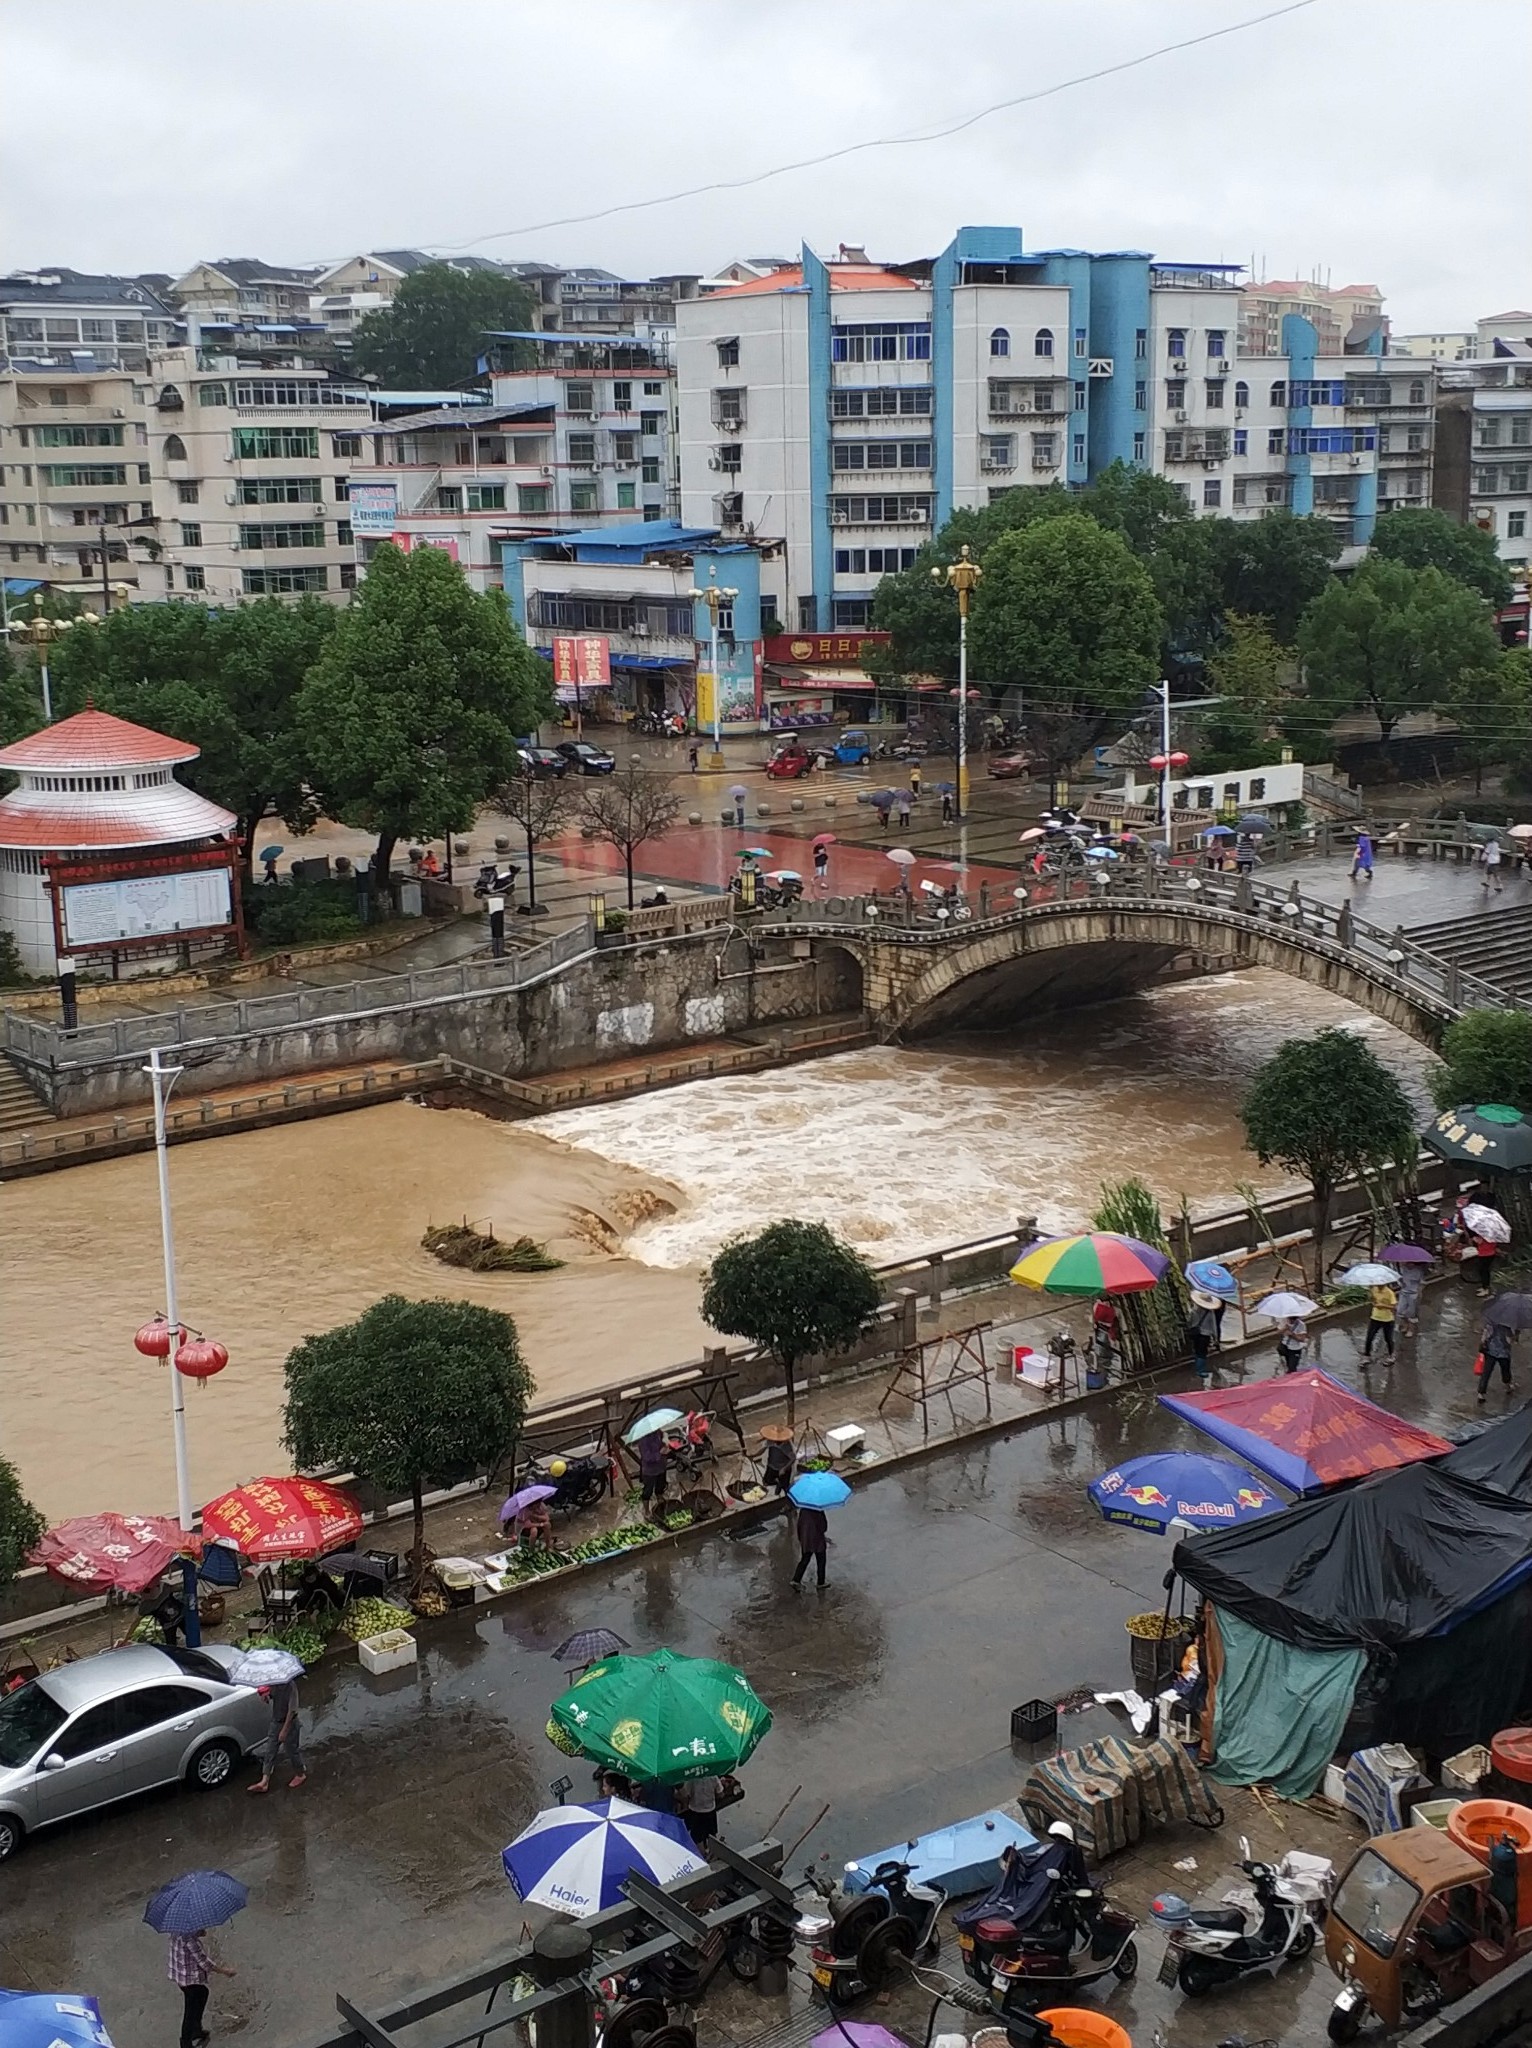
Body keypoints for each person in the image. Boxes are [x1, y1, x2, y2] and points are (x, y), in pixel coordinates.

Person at [167, 1927, 235, 2048]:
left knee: (203, 1993)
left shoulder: (176, 1930)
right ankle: (186, 2041)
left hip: (181, 1977)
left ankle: (196, 2029)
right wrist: (225, 1971)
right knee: (190, 2011)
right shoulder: (190, 1941)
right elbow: (204, 1962)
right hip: (189, 1980)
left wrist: (198, 1933)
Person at [249, 1678, 305, 1793]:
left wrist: (284, 1730)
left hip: (289, 1723)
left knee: (291, 1750)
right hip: (276, 1721)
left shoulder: (291, 1687)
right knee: (270, 1749)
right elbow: (272, 1695)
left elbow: (293, 1710)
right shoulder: (274, 1683)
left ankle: (300, 1774)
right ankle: (265, 1780)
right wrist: (266, 1696)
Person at [677, 1772, 721, 1851]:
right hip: (710, 1810)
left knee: (697, 1838)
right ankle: (714, 1853)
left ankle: (702, 1856)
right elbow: (720, 1793)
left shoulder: (692, 1779)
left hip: (696, 1812)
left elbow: (686, 1795)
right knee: (712, 1834)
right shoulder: (713, 1776)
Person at [1478, 1322, 1516, 1404]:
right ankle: (1508, 1387)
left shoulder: (1490, 1323)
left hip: (1490, 1351)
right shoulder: (1508, 1326)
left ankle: (1481, 1393)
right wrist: (1515, 1335)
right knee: (1505, 1370)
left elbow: (1485, 1336)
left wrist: (1482, 1344)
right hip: (1503, 1353)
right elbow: (1509, 1340)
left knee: (1486, 1372)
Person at [792, 1503, 829, 1587]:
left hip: (806, 1539)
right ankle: (821, 1582)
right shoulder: (818, 1510)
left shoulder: (803, 1510)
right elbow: (823, 1526)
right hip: (817, 1539)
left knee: (805, 1559)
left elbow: (799, 1526)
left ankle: (796, 1580)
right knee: (821, 1560)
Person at [1187, 1296, 1219, 1382]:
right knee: (1202, 1353)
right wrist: (1215, 1337)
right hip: (1205, 1335)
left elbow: (1190, 1322)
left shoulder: (1194, 1311)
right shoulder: (1210, 1312)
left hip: (1196, 1334)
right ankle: (1200, 1371)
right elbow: (1213, 1326)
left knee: (1197, 1351)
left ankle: (1198, 1368)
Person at [1364, 1281, 1397, 1361]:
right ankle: (1367, 1355)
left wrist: (1382, 1305)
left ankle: (1391, 1355)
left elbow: (1394, 1307)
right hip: (1375, 1317)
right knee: (1369, 1337)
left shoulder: (1389, 1293)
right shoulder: (1374, 1289)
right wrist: (1371, 1298)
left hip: (1387, 1319)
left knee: (1388, 1338)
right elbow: (1373, 1301)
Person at [636, 1427, 668, 1510]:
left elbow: (663, 1440)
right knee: (648, 1491)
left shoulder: (658, 1433)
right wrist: (659, 1453)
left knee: (660, 1485)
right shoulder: (643, 1441)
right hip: (650, 1470)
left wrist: (665, 1441)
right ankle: (646, 1510)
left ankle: (659, 1497)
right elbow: (646, 1457)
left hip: (661, 1466)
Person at [762, 1433, 795, 1498]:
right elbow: (764, 1449)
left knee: (785, 1487)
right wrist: (753, 1455)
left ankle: (785, 1497)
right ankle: (777, 1482)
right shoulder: (770, 1441)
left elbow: (793, 1458)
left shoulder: (786, 1445)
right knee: (767, 1481)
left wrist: (784, 1469)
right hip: (772, 1465)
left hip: (782, 1468)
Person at [1397, 1261, 1426, 1335]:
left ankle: (1411, 1329)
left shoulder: (1418, 1271)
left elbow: (1422, 1283)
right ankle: (1405, 1325)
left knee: (1411, 1313)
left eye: (1411, 1263)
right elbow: (1399, 1279)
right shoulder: (1403, 1270)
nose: (1409, 1264)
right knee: (1401, 1310)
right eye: (1408, 1263)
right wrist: (1400, 1282)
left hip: (1413, 1294)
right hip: (1403, 1293)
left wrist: (1419, 1291)